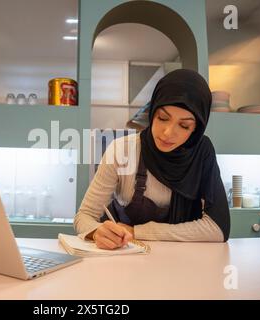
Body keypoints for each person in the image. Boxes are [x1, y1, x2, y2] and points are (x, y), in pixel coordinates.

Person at [74, 69, 230, 249]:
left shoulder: (201, 153)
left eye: (184, 125)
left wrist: (137, 232)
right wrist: (96, 231)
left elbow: (218, 228)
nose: (168, 133)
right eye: (163, 118)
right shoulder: (122, 150)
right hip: (124, 261)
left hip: (182, 263)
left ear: (196, 129)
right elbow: (84, 216)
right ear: (153, 111)